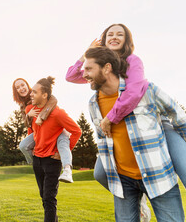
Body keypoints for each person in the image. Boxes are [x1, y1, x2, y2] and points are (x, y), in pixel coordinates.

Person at [65, 23, 186, 220]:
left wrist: (111, 117)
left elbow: (134, 92)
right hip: (125, 180)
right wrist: (88, 51)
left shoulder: (133, 62)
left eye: (119, 34)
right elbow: (71, 76)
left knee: (181, 160)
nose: (114, 37)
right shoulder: (94, 102)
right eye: (109, 34)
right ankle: (138, 200)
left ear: (106, 68)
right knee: (100, 174)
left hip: (153, 124)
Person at [25, 76, 81, 222]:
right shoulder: (32, 110)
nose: (31, 94)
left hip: (51, 161)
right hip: (37, 159)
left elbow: (76, 131)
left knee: (49, 198)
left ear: (44, 95)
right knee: (44, 196)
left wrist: (63, 152)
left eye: (35, 92)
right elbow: (33, 131)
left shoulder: (57, 113)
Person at [13, 78, 73, 182]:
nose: (21, 88)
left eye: (23, 85)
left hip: (52, 126)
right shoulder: (23, 106)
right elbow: (28, 125)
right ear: (16, 91)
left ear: (27, 85)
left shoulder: (36, 93)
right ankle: (36, 162)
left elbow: (53, 99)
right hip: (38, 131)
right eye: (18, 87)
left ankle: (67, 170)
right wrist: (28, 116)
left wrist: (42, 116)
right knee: (23, 146)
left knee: (63, 143)